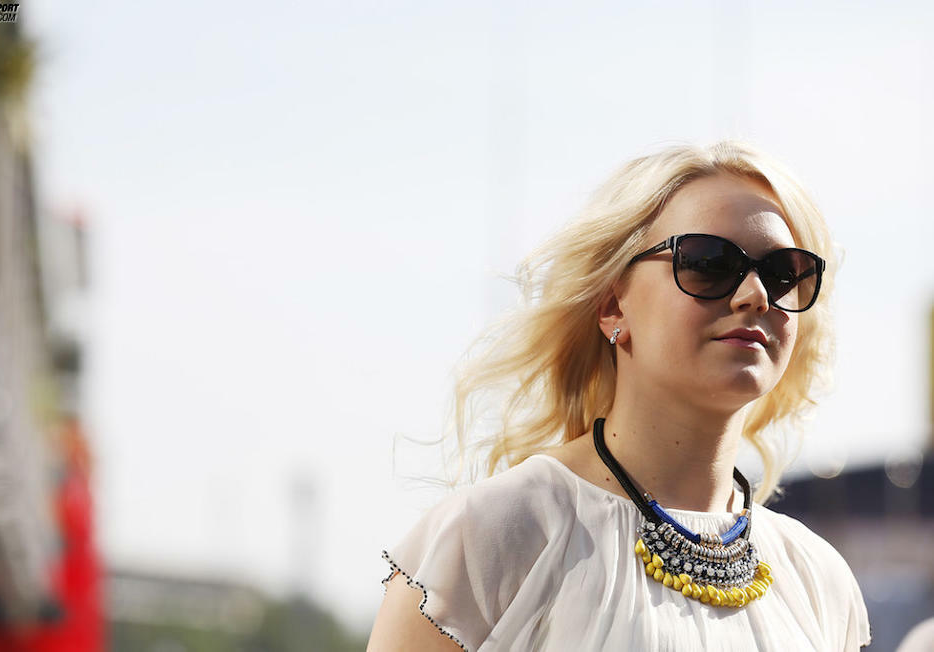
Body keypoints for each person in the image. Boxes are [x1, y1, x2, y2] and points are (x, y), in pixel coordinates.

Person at [367, 141, 871, 651]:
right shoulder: (494, 536)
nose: (756, 294)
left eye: (785, 273)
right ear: (613, 307)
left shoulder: (818, 580)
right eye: (710, 263)